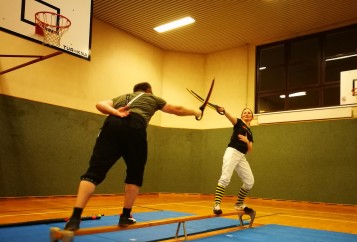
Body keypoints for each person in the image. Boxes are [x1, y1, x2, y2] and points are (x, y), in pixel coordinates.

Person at [64, 82, 201, 230]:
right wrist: (196, 112)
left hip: (111, 124)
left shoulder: (122, 97)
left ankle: (75, 217)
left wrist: (116, 112)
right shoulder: (152, 98)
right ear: (149, 90)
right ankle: (125, 216)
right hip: (135, 127)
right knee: (135, 173)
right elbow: (176, 109)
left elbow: (100, 104)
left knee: (94, 172)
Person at [212, 106, 255, 216]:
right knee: (225, 177)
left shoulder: (250, 133)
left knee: (249, 181)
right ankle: (216, 205)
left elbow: (250, 150)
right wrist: (224, 111)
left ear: (252, 117)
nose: (246, 114)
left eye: (249, 113)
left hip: (241, 156)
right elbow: (230, 117)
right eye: (244, 112)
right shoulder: (239, 122)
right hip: (232, 152)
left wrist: (246, 140)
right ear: (242, 116)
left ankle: (239, 204)